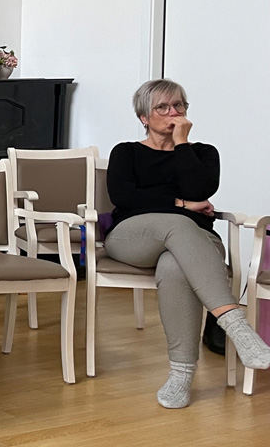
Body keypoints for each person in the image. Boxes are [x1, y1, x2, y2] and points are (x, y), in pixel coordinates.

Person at [105, 79, 270, 408]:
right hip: (132, 237)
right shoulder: (126, 152)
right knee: (178, 222)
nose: (173, 113)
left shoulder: (203, 153)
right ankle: (236, 325)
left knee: (173, 265)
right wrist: (181, 205)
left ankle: (181, 374)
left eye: (179, 105)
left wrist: (181, 144)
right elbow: (125, 197)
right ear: (143, 117)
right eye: (162, 107)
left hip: (195, 241)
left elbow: (200, 189)